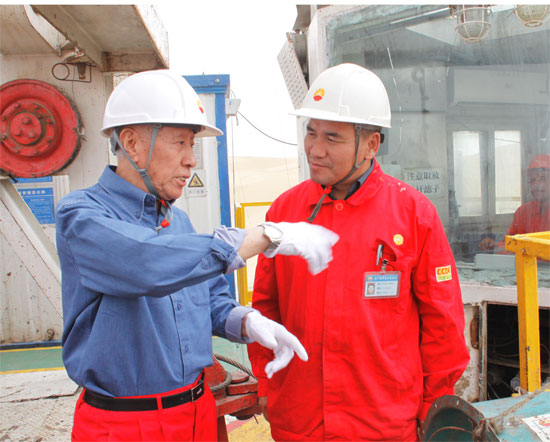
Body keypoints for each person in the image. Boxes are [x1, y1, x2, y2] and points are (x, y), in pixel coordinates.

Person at [55, 70, 338, 442]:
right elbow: (146, 262)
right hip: (125, 424)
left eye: (192, 145)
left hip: (197, 413)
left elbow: (210, 302)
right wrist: (262, 236)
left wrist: (248, 322)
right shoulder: (82, 216)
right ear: (132, 143)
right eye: (180, 143)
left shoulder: (180, 222)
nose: (192, 161)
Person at [247, 63, 470, 441]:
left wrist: (433, 405)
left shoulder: (413, 215)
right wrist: (268, 384)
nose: (315, 149)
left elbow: (442, 323)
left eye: (332, 138)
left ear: (371, 144)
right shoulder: (285, 211)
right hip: (301, 422)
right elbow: (265, 308)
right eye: (311, 132)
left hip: (383, 424)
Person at [479, 153, 550, 251]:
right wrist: (494, 245)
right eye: (532, 180)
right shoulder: (522, 213)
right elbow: (510, 244)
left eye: (542, 179)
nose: (536, 185)